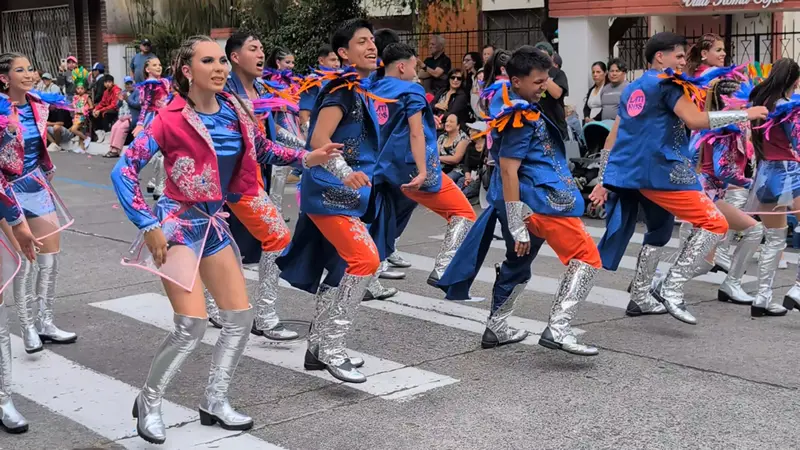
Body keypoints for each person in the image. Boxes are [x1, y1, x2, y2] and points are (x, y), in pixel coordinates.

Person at [110, 35, 340, 444]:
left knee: (238, 318)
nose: (219, 68)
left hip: (213, 227)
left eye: (221, 61)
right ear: (187, 70)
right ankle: (149, 400)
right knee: (191, 325)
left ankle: (215, 400)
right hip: (176, 228)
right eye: (208, 61)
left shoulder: (234, 110)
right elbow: (124, 170)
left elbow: (262, 148)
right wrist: (148, 225)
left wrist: (308, 157)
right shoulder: (169, 118)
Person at [590, 32, 767, 325]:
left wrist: (603, 176)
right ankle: (671, 288)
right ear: (661, 57)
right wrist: (744, 114)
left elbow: (615, 134)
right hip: (664, 174)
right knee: (715, 222)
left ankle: (641, 297)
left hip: (636, 175)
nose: (685, 61)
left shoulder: (633, 88)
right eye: (680, 56)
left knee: (659, 232)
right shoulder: (669, 85)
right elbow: (696, 120)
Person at [437, 46, 602, 354]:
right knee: (587, 257)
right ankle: (559, 328)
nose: (544, 87)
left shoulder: (515, 102)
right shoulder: (517, 115)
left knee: (518, 264)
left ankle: (497, 327)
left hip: (531, 201)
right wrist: (517, 224)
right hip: (539, 203)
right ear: (516, 81)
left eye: (546, 79)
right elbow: (508, 170)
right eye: (538, 82)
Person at [277, 19, 382, 384]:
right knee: (366, 260)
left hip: (349, 196)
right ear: (343, 52)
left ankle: (318, 348)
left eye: (372, 41)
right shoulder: (341, 91)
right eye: (362, 42)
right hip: (329, 193)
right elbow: (318, 139)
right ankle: (334, 348)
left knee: (340, 270)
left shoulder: (361, 89)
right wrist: (344, 171)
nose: (371, 47)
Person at [203, 31, 301, 342]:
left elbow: (275, 137)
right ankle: (259, 314)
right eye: (253, 48)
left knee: (244, 242)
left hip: (253, 177)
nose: (261, 54)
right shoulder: (222, 94)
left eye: (262, 48)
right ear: (234, 57)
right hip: (222, 181)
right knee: (264, 237)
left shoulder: (264, 91)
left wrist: (310, 152)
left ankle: (247, 310)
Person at [371, 43, 477, 288]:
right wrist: (422, 171)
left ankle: (367, 281)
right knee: (463, 213)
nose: (416, 71)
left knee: (386, 225)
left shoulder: (372, 88)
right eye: (413, 65)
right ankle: (444, 269)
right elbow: (416, 134)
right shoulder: (411, 90)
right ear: (401, 66)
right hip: (414, 168)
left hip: (384, 168)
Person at [0, 52, 78, 356]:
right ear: (4, 78)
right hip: (8, 192)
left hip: (37, 186)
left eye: (30, 68)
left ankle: (46, 321)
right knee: (26, 262)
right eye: (21, 70)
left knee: (50, 258)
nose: (29, 73)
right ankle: (28, 325)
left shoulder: (38, 104)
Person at [745, 58, 800, 316]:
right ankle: (798, 289)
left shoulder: (760, 105)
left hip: (765, 175)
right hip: (791, 174)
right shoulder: (789, 108)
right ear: (794, 80)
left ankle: (762, 298)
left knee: (774, 239)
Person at [534, 42, 569, 139]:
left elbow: (557, 94)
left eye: (543, 56)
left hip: (556, 125)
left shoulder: (558, 73)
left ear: (551, 57)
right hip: (536, 125)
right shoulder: (530, 74)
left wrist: (544, 74)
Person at [104, 76, 137, 158]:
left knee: (121, 128)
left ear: (134, 83)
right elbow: (118, 106)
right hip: (122, 117)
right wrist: (120, 100)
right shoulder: (123, 92)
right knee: (114, 127)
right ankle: (111, 148)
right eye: (127, 84)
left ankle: (116, 150)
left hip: (132, 117)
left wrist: (127, 99)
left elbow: (138, 105)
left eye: (130, 83)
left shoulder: (137, 93)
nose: (129, 85)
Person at [91, 75, 121, 143]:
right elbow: (102, 103)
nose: (107, 84)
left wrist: (100, 110)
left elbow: (114, 105)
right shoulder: (106, 92)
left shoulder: (116, 90)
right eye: (106, 82)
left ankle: (108, 136)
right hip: (107, 109)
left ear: (112, 82)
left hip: (116, 110)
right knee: (92, 114)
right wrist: (95, 109)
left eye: (109, 82)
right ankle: (100, 134)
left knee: (106, 114)